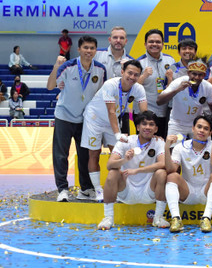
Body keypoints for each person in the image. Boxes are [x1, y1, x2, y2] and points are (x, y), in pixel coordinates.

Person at [47, 36, 106, 202]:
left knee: (85, 155)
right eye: (85, 47)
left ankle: (86, 189)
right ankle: (63, 189)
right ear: (79, 49)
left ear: (96, 50)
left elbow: (102, 94)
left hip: (86, 119)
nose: (89, 51)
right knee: (60, 155)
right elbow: (50, 86)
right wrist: (55, 67)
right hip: (64, 116)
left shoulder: (100, 69)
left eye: (92, 48)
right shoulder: (67, 66)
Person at [82, 60, 148, 200]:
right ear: (122, 72)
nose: (132, 77)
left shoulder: (138, 88)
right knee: (94, 153)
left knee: (118, 154)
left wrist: (148, 132)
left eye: (136, 75)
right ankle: (98, 190)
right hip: (95, 119)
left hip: (112, 120)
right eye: (129, 73)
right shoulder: (110, 85)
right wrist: (117, 134)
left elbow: (144, 113)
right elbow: (111, 111)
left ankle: (120, 187)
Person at [96, 111, 169, 230]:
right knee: (113, 173)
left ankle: (158, 217)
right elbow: (110, 164)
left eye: (151, 124)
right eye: (144, 124)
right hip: (126, 189)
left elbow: (163, 163)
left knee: (161, 173)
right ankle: (108, 218)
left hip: (148, 190)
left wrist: (137, 170)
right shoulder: (126, 142)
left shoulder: (159, 142)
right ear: (138, 127)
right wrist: (125, 160)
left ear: (156, 129)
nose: (147, 127)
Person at [164, 115, 212, 233]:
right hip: (187, 191)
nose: (202, 130)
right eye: (199, 127)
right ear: (193, 128)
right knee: (172, 176)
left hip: (206, 191)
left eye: (206, 129)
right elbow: (171, 169)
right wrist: (166, 147)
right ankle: (176, 218)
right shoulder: (180, 147)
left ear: (210, 132)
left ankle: (206, 218)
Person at [157, 60, 212, 137]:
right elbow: (159, 101)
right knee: (172, 147)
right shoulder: (178, 82)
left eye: (200, 75)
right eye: (194, 74)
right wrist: (177, 90)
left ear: (204, 75)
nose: (196, 77)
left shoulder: (207, 87)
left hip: (197, 124)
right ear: (188, 73)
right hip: (177, 123)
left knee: (201, 148)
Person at [137, 29, 176, 138]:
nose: (154, 44)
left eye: (158, 42)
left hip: (164, 111)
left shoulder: (171, 60)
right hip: (145, 112)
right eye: (151, 42)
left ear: (163, 44)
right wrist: (143, 76)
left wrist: (170, 79)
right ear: (145, 44)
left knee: (162, 144)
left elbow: (173, 86)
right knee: (144, 145)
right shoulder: (139, 62)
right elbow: (133, 88)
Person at [94, 26, 133, 134]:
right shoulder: (96, 55)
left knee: (122, 146)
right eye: (115, 37)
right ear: (109, 39)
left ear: (126, 41)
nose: (118, 40)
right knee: (94, 148)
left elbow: (133, 87)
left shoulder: (131, 62)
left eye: (121, 38)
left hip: (121, 110)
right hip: (98, 108)